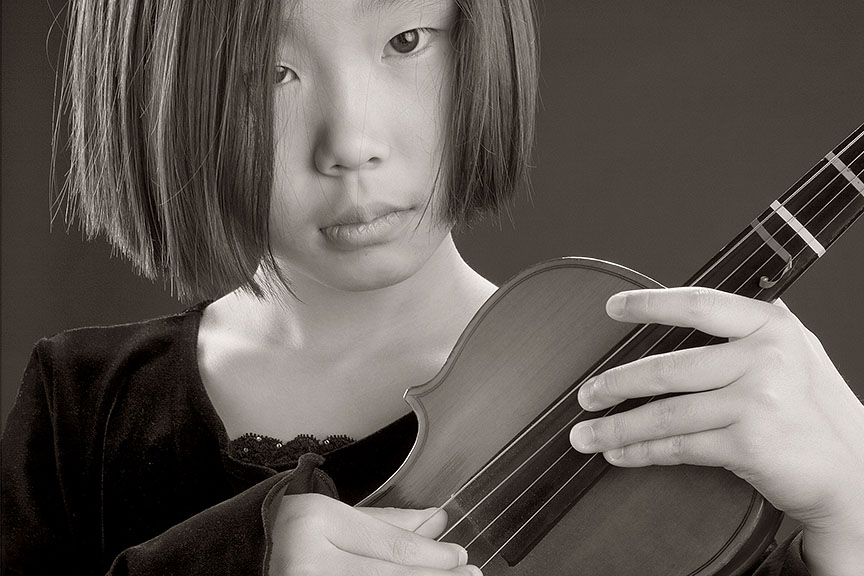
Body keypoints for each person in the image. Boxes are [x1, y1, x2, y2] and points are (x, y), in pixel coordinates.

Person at [2, 1, 862, 575]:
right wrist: (235, 559)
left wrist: (854, 521)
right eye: (265, 73)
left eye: (407, 40)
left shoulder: (639, 403)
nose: (353, 142)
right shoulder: (83, 401)